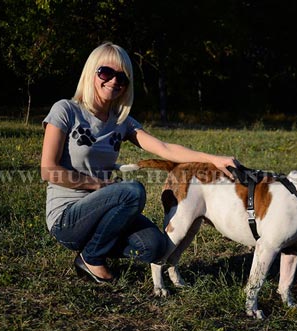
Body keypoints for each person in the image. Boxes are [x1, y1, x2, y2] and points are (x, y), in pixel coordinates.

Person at [40, 42, 236, 283]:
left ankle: (94, 249)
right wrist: (98, 186)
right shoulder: (66, 110)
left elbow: (164, 148)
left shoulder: (122, 121)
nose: (114, 81)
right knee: (131, 192)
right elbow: (49, 170)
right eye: (106, 73)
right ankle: (91, 258)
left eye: (122, 77)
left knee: (155, 247)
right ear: (91, 72)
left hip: (104, 211)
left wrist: (214, 160)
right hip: (68, 219)